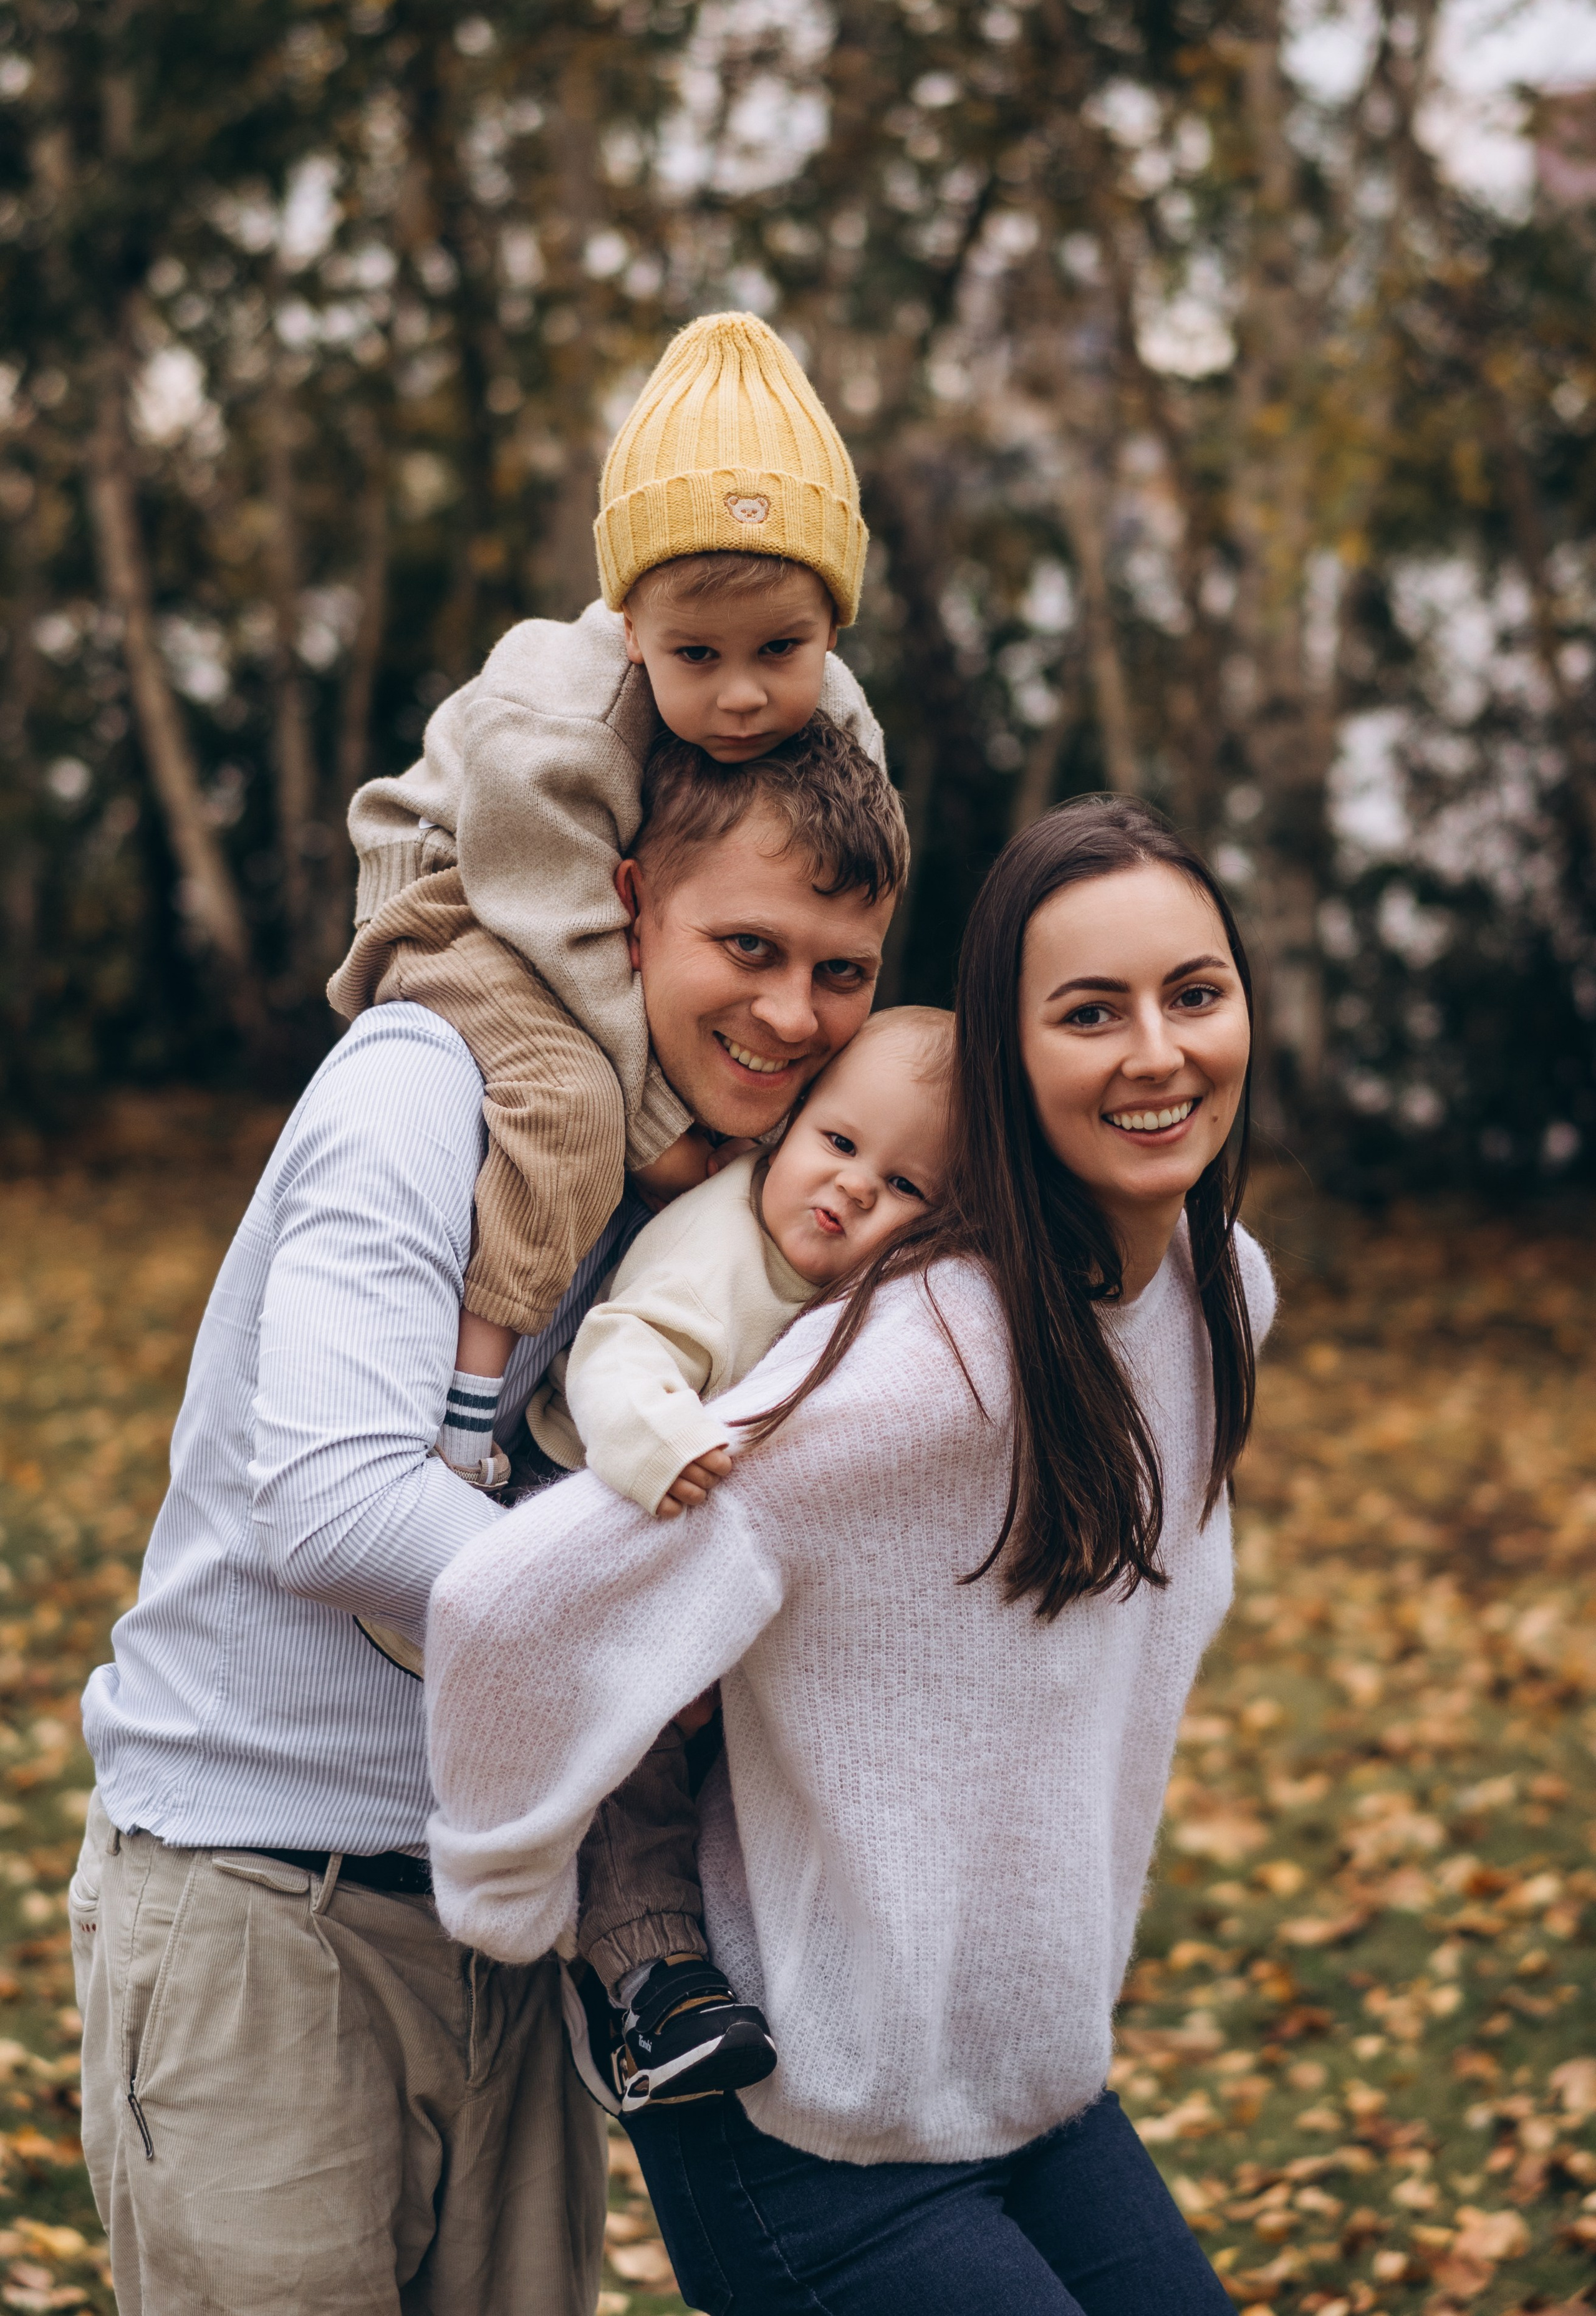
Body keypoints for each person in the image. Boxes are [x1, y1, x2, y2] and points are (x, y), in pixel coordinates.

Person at [70, 721, 906, 2316]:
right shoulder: (425, 1084)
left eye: (841, 970)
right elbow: (328, 1502)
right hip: (267, 1900)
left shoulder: (726, 1179)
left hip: (513, 1913)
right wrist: (669, 1616)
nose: (793, 1013)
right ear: (625, 904)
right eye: (748, 946)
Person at [423, 795, 1276, 2314]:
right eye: (1090, 1013)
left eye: (1192, 994)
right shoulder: (917, 1366)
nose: (1156, 1052)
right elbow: (513, 1604)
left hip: (1032, 2082)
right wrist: (505, 1885)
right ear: (1007, 1073)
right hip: (804, 2117)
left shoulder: (1217, 1295)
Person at [329, 307, 882, 1501]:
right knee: (575, 1101)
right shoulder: (557, 717)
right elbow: (563, 925)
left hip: (595, 908)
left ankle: (630, 1405)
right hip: (466, 902)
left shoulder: (834, 712)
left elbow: (856, 869)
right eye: (697, 657)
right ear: (631, 628)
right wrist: (655, 1132)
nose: (742, 695)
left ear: (836, 624)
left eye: (780, 650)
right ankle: (466, 1424)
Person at [367, 1005, 954, 2119]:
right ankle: (652, 1986)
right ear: (785, 1132)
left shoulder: (854, 1277)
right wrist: (661, 1441)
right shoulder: (719, 1249)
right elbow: (620, 1352)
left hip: (697, 1539)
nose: (856, 1188)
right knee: (628, 1758)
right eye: (838, 1143)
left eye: (909, 1187)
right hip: (590, 1491)